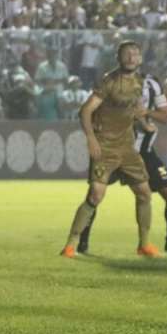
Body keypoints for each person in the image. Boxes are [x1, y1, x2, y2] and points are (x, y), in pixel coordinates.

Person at [60, 41, 160, 258]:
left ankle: (144, 245)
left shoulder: (139, 82)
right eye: (127, 54)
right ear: (119, 58)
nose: (132, 58)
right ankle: (71, 244)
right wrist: (91, 139)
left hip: (127, 147)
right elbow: (85, 111)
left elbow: (133, 107)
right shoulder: (109, 81)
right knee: (96, 195)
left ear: (140, 59)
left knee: (144, 193)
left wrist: (144, 123)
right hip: (104, 146)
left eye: (135, 54)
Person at [77, 70, 167, 254]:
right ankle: (82, 242)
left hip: (145, 153)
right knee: (95, 196)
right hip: (113, 149)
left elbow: (165, 117)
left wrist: (147, 112)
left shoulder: (153, 85)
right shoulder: (110, 84)